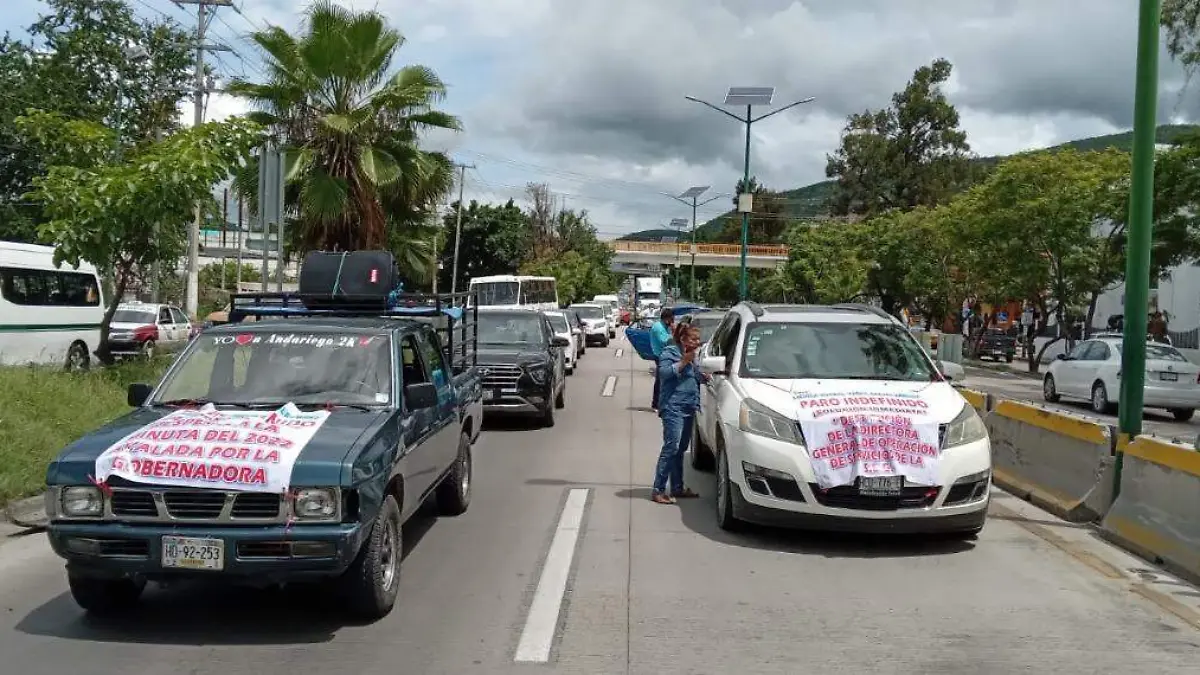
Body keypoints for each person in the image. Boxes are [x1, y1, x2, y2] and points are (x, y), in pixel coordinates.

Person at [651, 322, 709, 504]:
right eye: (693, 339)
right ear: (683, 339)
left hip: (688, 406)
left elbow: (694, 376)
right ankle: (658, 489)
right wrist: (683, 362)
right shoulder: (671, 352)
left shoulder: (693, 356)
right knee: (671, 447)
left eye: (698, 339)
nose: (697, 342)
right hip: (672, 407)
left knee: (681, 449)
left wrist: (704, 375)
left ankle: (677, 487)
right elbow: (664, 373)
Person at [649, 306, 674, 410]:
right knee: (660, 381)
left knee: (664, 380)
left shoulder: (663, 326)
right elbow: (664, 341)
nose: (672, 321)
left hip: (664, 355)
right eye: (671, 319)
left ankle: (662, 402)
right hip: (660, 356)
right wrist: (675, 335)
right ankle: (656, 403)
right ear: (667, 318)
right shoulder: (659, 327)